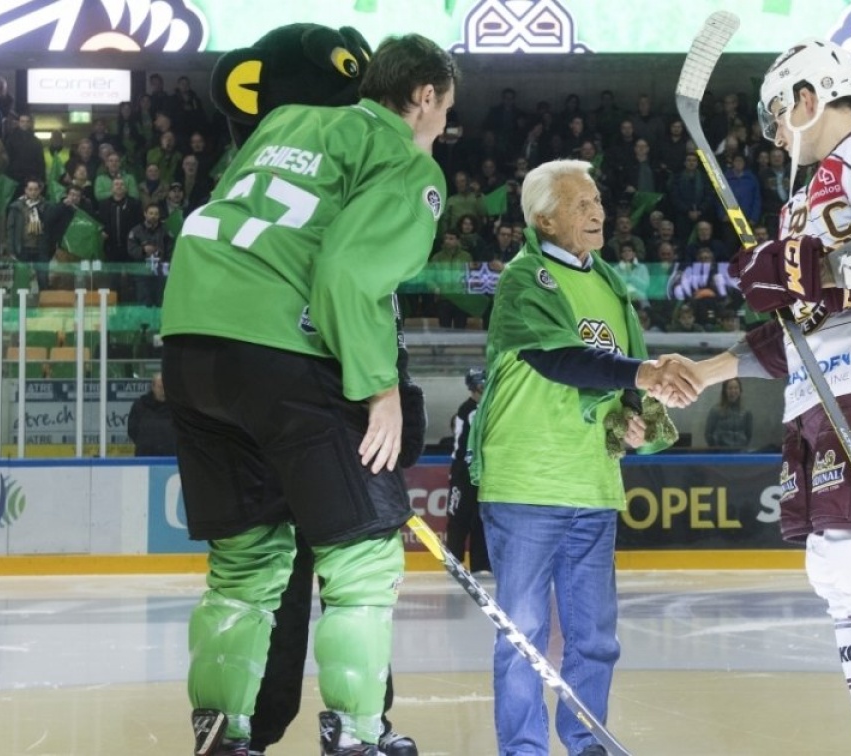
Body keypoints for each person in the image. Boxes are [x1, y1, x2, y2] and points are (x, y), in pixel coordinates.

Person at [160, 29, 458, 756]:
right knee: (362, 559)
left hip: (191, 343)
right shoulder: (407, 162)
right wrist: (380, 391)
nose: (445, 124)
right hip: (284, 350)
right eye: (446, 109)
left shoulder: (287, 121)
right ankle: (357, 735)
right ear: (424, 97)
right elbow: (347, 276)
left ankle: (223, 731)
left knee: (246, 563)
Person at [677, 38, 851, 756]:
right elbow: (795, 326)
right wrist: (708, 371)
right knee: (833, 568)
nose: (774, 133)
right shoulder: (798, 204)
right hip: (816, 394)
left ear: (808, 98)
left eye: (775, 113)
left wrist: (804, 270)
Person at [471, 159, 694, 756]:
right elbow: (560, 359)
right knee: (523, 635)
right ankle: (524, 749)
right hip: (525, 484)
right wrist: (644, 373)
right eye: (581, 204)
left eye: (597, 201)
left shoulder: (611, 283)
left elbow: (620, 384)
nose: (598, 213)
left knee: (594, 637)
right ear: (544, 220)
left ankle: (587, 741)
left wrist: (636, 419)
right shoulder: (524, 279)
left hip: (593, 485)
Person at [445, 367, 489, 572]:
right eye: (481, 384)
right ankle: (454, 562)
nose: (484, 388)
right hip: (463, 471)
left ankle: (481, 564)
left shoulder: (486, 407)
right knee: (458, 516)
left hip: (481, 471)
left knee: (480, 518)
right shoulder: (468, 410)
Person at [127, 373, 176, 456]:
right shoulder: (140, 405)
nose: (163, 391)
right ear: (153, 387)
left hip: (171, 457)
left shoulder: (177, 407)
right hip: (145, 456)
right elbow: (132, 429)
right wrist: (145, 442)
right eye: (160, 387)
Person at [705, 377, 753, 449]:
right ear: (725, 391)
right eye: (730, 388)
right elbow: (708, 434)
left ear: (740, 390)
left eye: (736, 388)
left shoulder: (746, 412)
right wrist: (716, 449)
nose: (733, 391)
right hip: (721, 452)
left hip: (740, 452)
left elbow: (749, 435)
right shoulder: (716, 410)